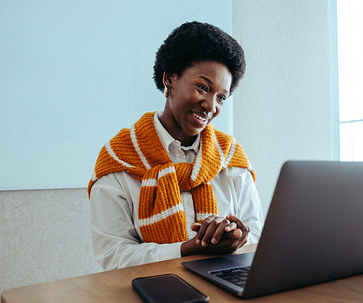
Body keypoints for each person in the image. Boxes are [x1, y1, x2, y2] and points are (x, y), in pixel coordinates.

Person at [88, 21, 264, 270]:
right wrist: (187, 249)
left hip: (226, 287)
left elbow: (256, 235)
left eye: (221, 97)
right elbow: (113, 255)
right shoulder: (118, 158)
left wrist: (238, 237)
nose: (211, 105)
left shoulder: (230, 156)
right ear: (170, 79)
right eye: (203, 87)